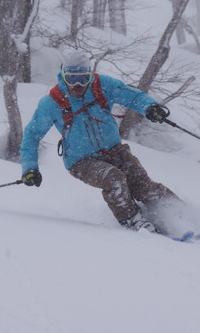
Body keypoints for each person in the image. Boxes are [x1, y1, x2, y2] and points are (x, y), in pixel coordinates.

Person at [19, 50, 179, 233]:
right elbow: (32, 134)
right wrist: (30, 168)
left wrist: (150, 107)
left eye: (83, 78)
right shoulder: (52, 103)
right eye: (72, 79)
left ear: (90, 76)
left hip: (114, 149)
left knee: (141, 183)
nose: (77, 85)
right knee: (114, 179)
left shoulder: (102, 85)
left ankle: (179, 213)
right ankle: (132, 219)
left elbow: (133, 96)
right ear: (63, 76)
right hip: (81, 161)